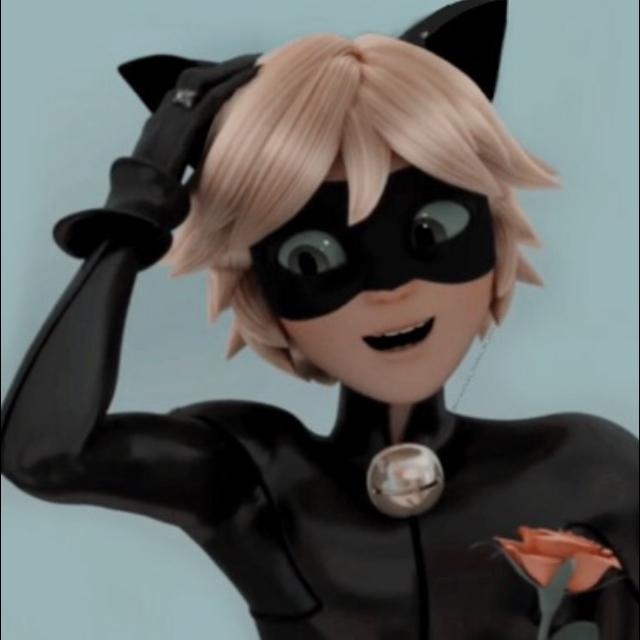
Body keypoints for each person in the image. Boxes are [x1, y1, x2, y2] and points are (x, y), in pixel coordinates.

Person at [2, 1, 637, 638]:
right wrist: (137, 210)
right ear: (262, 289)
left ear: (493, 234)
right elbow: (46, 454)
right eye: (312, 258)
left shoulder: (581, 464)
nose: (390, 290)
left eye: (433, 229)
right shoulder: (258, 476)